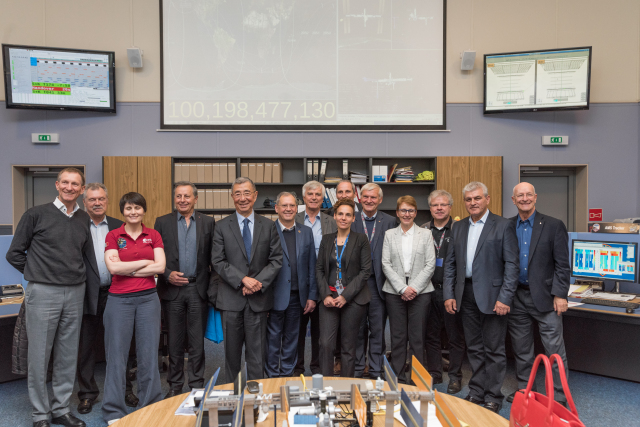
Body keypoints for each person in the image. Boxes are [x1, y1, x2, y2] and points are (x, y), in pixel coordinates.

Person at [6, 168, 90, 427]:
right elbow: (14, 253)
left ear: (82, 189)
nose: (69, 187)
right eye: (65, 182)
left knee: (67, 355)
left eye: (75, 184)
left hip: (75, 291)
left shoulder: (83, 218)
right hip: (43, 292)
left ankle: (61, 409)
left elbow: (82, 254)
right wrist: (37, 272)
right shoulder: (35, 214)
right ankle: (40, 414)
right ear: (57, 185)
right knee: (40, 355)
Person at [443, 182, 519, 413]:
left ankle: (493, 395)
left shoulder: (503, 225)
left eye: (477, 198)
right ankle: (476, 391)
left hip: (494, 296)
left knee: (494, 349)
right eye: (468, 199)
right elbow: (450, 264)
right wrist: (449, 294)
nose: (473, 203)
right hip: (464, 294)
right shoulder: (458, 227)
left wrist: (505, 297)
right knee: (474, 347)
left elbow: (512, 265)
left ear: (487, 199)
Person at [102, 192, 166, 425]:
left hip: (148, 300)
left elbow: (161, 266)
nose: (133, 212)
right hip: (119, 301)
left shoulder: (154, 234)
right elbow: (113, 268)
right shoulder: (113, 235)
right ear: (123, 212)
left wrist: (126, 267)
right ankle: (113, 410)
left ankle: (149, 405)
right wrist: (146, 263)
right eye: (129, 208)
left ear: (144, 211)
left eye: (137, 208)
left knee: (148, 355)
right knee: (116, 357)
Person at [211, 177, 283, 381]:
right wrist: (243, 279)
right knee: (231, 357)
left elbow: (276, 260)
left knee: (257, 355)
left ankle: (256, 398)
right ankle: (233, 399)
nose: (243, 198)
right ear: (232, 196)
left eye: (247, 193)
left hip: (258, 301)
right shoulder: (221, 226)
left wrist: (256, 283)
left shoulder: (268, 226)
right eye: (238, 194)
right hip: (231, 300)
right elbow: (217, 260)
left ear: (255, 196)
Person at [77, 183, 138, 415]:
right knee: (85, 347)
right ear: (85, 202)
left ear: (107, 200)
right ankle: (87, 394)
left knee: (121, 345)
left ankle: (124, 390)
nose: (97, 203)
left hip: (117, 292)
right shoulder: (76, 224)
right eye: (92, 199)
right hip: (85, 294)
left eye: (101, 199)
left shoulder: (118, 225)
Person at [506, 182, 570, 404]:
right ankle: (526, 392)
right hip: (516, 297)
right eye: (519, 195)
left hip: (546, 298)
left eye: (528, 195)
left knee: (554, 352)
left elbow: (562, 264)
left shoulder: (553, 225)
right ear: (513, 200)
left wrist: (560, 295)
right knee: (522, 350)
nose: (524, 198)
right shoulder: (507, 226)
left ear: (535, 197)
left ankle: (559, 399)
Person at [155, 181, 215, 398]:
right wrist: (166, 274)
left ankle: (197, 383)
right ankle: (175, 384)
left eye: (187, 196)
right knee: (175, 340)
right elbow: (156, 255)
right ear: (174, 199)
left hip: (198, 288)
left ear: (195, 199)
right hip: (172, 290)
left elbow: (213, 258)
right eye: (178, 196)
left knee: (197, 340)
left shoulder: (208, 222)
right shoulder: (162, 222)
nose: (182, 200)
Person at [381, 196, 436, 383]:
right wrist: (402, 288)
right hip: (394, 291)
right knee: (397, 336)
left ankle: (416, 377)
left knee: (417, 337)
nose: (407, 214)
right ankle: (396, 375)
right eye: (403, 210)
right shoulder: (389, 235)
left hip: (421, 292)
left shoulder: (426, 234)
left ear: (416, 213)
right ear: (397, 213)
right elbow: (385, 264)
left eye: (411, 210)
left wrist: (413, 288)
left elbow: (430, 264)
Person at [317, 198, 372, 377]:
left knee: (348, 346)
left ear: (353, 218)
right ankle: (325, 386)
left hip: (353, 300)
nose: (344, 218)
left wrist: (345, 296)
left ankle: (346, 387)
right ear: (334, 216)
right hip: (329, 299)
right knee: (326, 343)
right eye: (340, 214)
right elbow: (319, 269)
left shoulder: (361, 239)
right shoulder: (326, 240)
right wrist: (325, 294)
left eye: (348, 215)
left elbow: (365, 271)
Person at [266, 192, 318, 377]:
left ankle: (287, 375)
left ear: (297, 208)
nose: (288, 209)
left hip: (298, 297)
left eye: (292, 206)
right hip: (274, 296)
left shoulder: (306, 232)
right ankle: (272, 376)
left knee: (292, 339)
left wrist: (312, 295)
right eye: (284, 205)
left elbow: (312, 265)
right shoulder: (267, 230)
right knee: (272, 339)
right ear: (277, 208)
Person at [422, 190, 465, 394]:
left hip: (452, 292)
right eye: (435, 205)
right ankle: (434, 372)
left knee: (454, 336)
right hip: (427, 290)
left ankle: (455, 376)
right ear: (430, 208)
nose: (439, 208)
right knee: (431, 335)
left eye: (443, 204)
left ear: (450, 207)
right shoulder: (421, 230)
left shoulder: (460, 229)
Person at [352, 183, 396, 379]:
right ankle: (358, 368)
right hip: (356, 286)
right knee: (358, 330)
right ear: (360, 198)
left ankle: (377, 370)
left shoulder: (390, 221)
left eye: (373, 197)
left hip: (379, 285)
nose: (369, 200)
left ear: (380, 200)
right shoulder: (350, 219)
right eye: (365, 197)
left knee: (377, 330)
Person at [294, 181, 337, 376]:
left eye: (318, 194)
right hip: (299, 282)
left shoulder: (332, 221)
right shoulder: (293, 219)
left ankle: (318, 369)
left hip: (325, 282)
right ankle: (298, 369)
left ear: (323, 198)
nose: (313, 197)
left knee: (322, 332)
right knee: (298, 331)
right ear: (303, 198)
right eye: (310, 194)